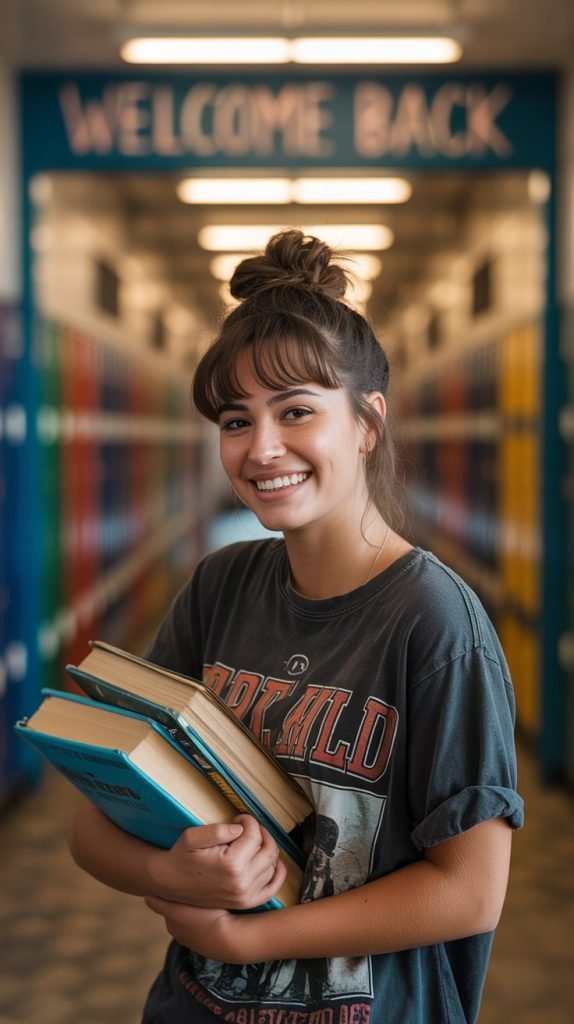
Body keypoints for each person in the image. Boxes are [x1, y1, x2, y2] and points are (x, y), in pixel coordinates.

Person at [69, 229, 524, 1024]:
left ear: (367, 423)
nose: (262, 447)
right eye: (236, 420)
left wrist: (254, 939)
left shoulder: (433, 621)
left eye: (297, 411)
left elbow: (470, 891)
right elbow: (90, 826)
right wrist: (177, 874)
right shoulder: (221, 588)